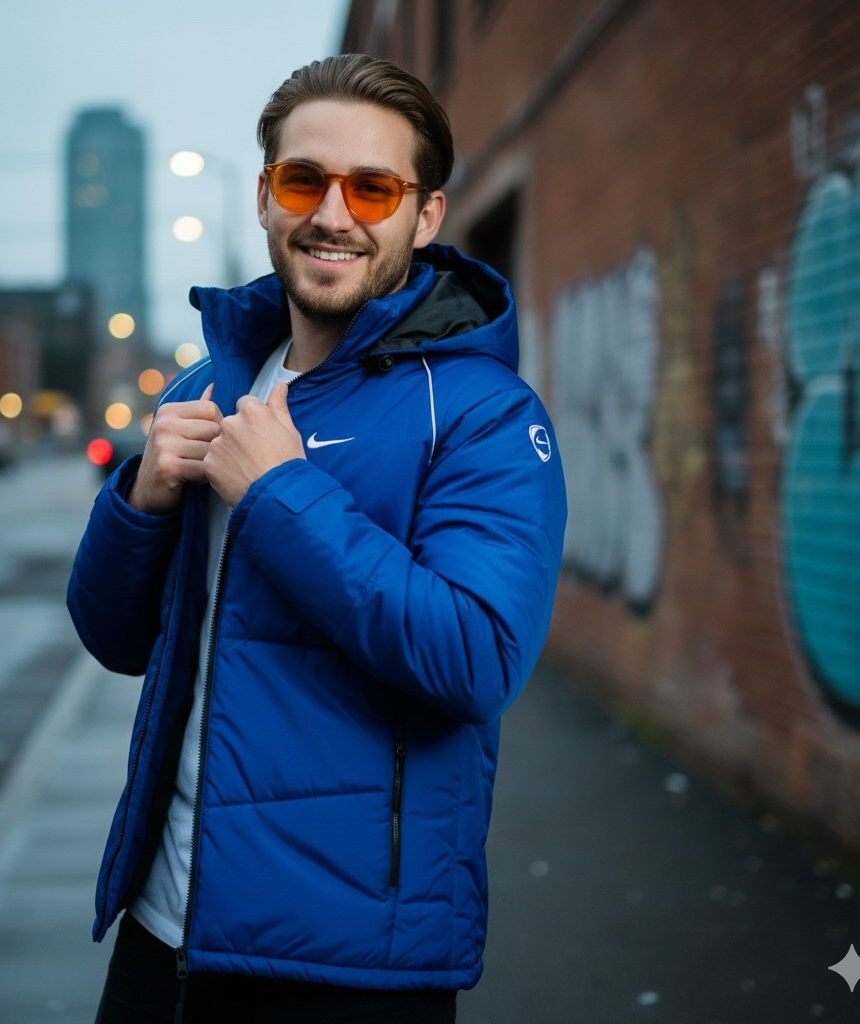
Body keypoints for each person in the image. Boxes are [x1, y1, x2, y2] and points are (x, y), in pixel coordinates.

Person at [67, 53, 567, 1024]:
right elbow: (114, 637)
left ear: (425, 215)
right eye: (304, 180)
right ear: (265, 196)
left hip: (347, 962)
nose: (332, 214)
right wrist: (141, 499)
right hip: (161, 929)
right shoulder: (207, 389)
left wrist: (281, 493)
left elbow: (475, 658)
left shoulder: (484, 414)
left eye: (373, 188)